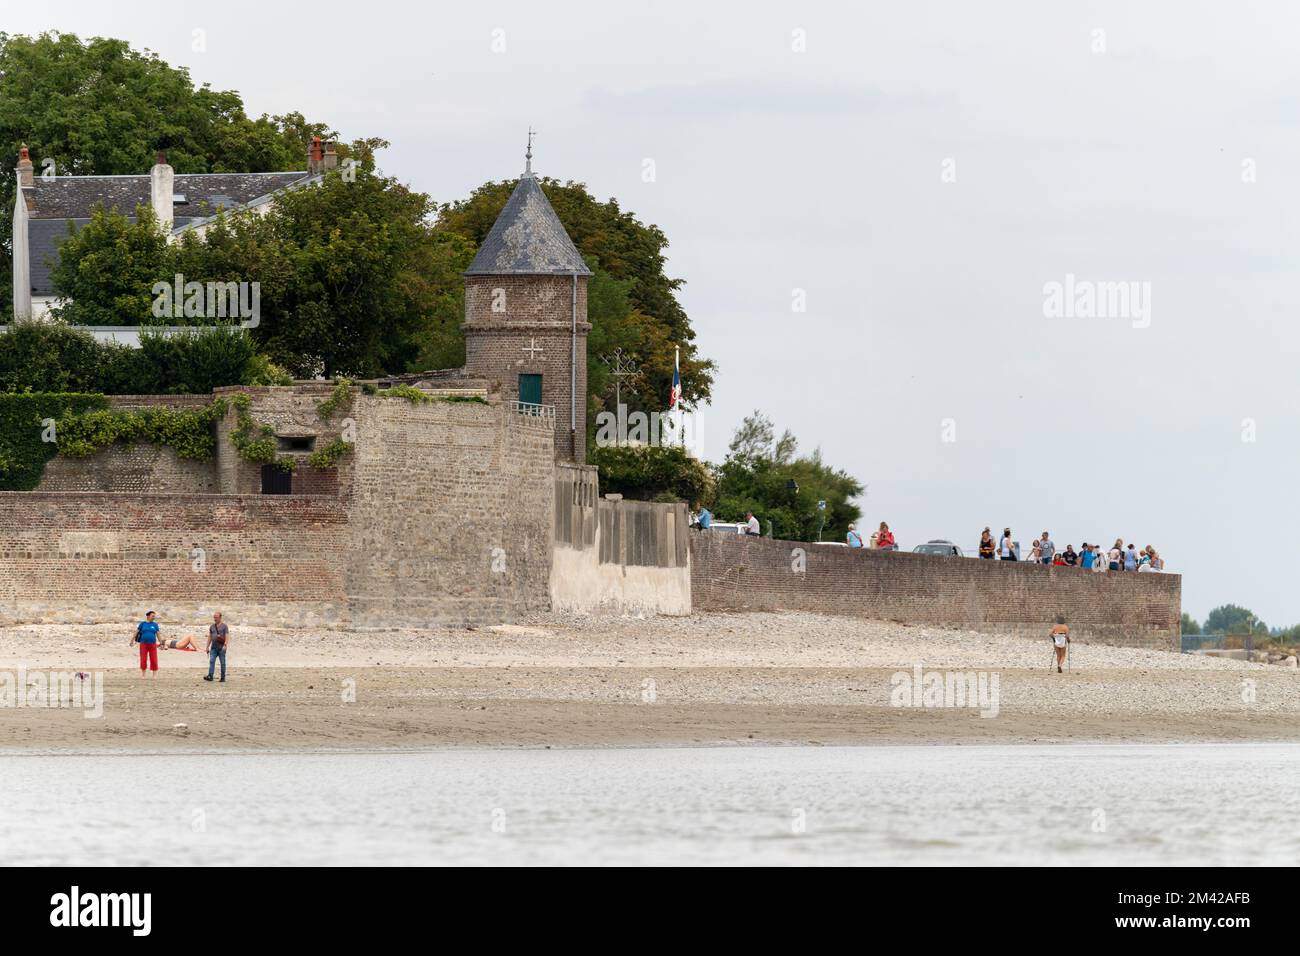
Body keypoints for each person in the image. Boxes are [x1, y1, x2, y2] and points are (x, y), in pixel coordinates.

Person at [132, 610, 160, 679]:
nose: (154, 617)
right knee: (143, 659)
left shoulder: (155, 625)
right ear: (148, 616)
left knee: (154, 659)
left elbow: (158, 634)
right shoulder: (142, 624)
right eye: (152, 616)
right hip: (143, 644)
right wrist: (132, 640)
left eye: (154, 616)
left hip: (153, 644)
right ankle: (143, 675)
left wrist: (161, 643)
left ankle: (154, 675)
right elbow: (136, 632)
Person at [204, 611, 229, 683]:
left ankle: (223, 677)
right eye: (214, 617)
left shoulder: (224, 626)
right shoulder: (212, 626)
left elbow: (227, 636)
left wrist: (225, 645)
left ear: (220, 617)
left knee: (223, 663)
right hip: (213, 648)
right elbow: (210, 637)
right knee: (211, 661)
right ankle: (210, 676)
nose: (215, 619)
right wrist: (207, 647)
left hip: (221, 648)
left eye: (216, 617)